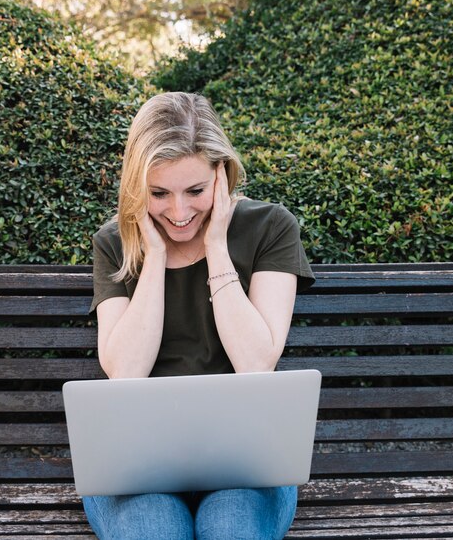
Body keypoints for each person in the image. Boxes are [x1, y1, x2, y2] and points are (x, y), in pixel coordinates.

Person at [84, 92, 315, 539]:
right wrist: (153, 256)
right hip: (137, 462)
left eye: (195, 190)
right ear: (136, 187)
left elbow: (255, 362)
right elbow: (125, 372)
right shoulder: (115, 243)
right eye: (158, 194)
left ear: (222, 176)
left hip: (247, 461)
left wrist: (215, 247)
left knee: (232, 530)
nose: (179, 212)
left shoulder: (270, 227)